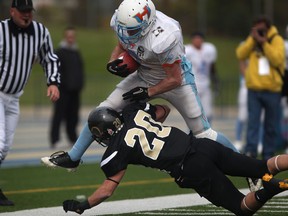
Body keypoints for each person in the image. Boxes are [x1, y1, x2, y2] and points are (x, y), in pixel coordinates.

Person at [41, 0, 238, 173]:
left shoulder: (165, 36)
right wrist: (113, 63)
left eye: (132, 31)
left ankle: (244, 164)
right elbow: (121, 45)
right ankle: (73, 157)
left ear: (147, 25)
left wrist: (147, 92)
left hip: (176, 81)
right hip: (144, 74)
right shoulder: (125, 21)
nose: (127, 34)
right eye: (124, 29)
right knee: (103, 110)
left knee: (203, 133)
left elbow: (174, 79)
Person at [51, 102, 288, 216]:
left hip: (191, 167)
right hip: (202, 145)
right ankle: (271, 177)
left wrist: (84, 205)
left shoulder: (115, 151)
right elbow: (163, 110)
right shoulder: (134, 114)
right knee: (263, 165)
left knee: (241, 207)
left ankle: (267, 190)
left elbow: (107, 190)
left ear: (104, 132)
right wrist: (144, 102)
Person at [0, 0, 60, 206]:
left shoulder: (40, 32)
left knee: (5, 147)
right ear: (12, 11)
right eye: (23, 11)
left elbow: (49, 58)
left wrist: (52, 82)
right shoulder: (0, 30)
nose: (27, 15)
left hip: (14, 98)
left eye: (29, 12)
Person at [236, 15, 285, 160]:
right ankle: (251, 151)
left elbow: (277, 60)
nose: (260, 31)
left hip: (272, 90)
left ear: (268, 27)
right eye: (257, 28)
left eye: (262, 28)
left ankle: (268, 153)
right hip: (254, 89)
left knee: (270, 125)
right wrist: (253, 39)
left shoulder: (277, 40)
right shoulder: (252, 41)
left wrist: (264, 43)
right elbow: (240, 53)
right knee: (253, 123)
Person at [49, 26, 85, 149]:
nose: (70, 39)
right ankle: (55, 140)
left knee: (73, 116)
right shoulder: (59, 52)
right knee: (59, 115)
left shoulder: (76, 52)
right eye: (68, 36)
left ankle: (72, 138)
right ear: (65, 37)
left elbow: (80, 70)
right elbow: (56, 71)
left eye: (72, 36)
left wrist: (80, 84)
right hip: (63, 91)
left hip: (75, 91)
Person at [185, 31, 219, 124]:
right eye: (195, 38)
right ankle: (192, 135)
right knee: (193, 113)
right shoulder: (188, 51)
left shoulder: (209, 49)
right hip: (193, 85)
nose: (197, 40)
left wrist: (216, 82)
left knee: (208, 113)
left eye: (199, 38)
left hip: (205, 85)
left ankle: (208, 134)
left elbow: (212, 67)